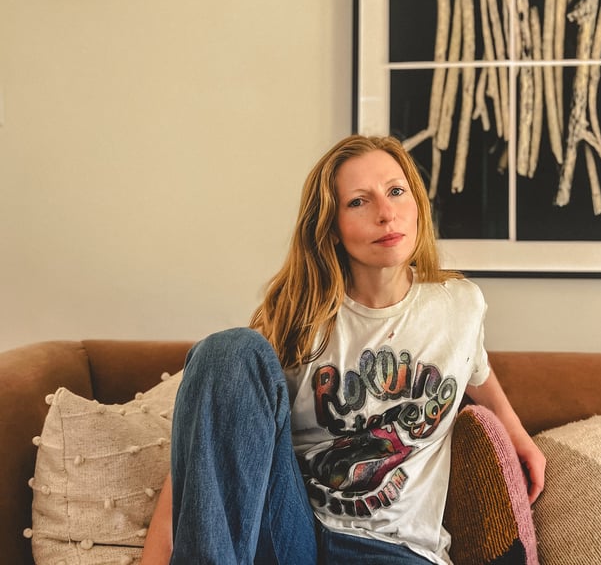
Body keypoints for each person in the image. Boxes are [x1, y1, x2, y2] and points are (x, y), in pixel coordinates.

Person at [141, 134, 546, 565]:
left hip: (397, 548)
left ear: (417, 205)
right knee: (228, 350)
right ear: (332, 227)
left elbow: (476, 369)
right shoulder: (299, 315)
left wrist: (518, 434)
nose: (386, 214)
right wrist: (159, 550)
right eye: (358, 202)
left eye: (395, 192)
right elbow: (218, 431)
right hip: (293, 534)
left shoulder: (459, 306)